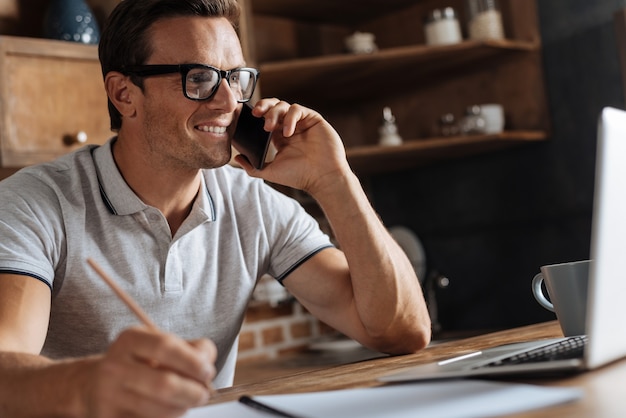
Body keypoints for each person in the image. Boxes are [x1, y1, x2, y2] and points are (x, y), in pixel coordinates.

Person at [0, 0, 431, 416]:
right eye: (200, 77)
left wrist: (335, 180)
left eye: (237, 78)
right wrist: (90, 386)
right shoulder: (35, 205)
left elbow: (400, 331)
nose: (229, 103)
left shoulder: (252, 203)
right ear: (124, 94)